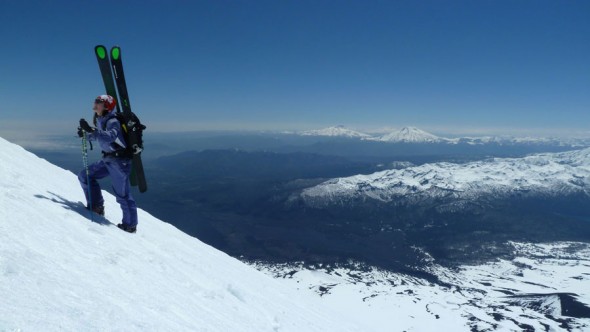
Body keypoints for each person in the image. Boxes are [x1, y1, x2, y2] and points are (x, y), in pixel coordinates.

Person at [77, 95, 138, 233]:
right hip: (109, 160)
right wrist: (85, 134)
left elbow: (111, 136)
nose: (95, 104)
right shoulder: (101, 119)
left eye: (99, 102)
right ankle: (96, 206)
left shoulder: (113, 121)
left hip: (119, 162)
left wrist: (92, 131)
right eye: (96, 101)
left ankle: (130, 226)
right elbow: (100, 135)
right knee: (85, 176)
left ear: (106, 106)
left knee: (122, 194)